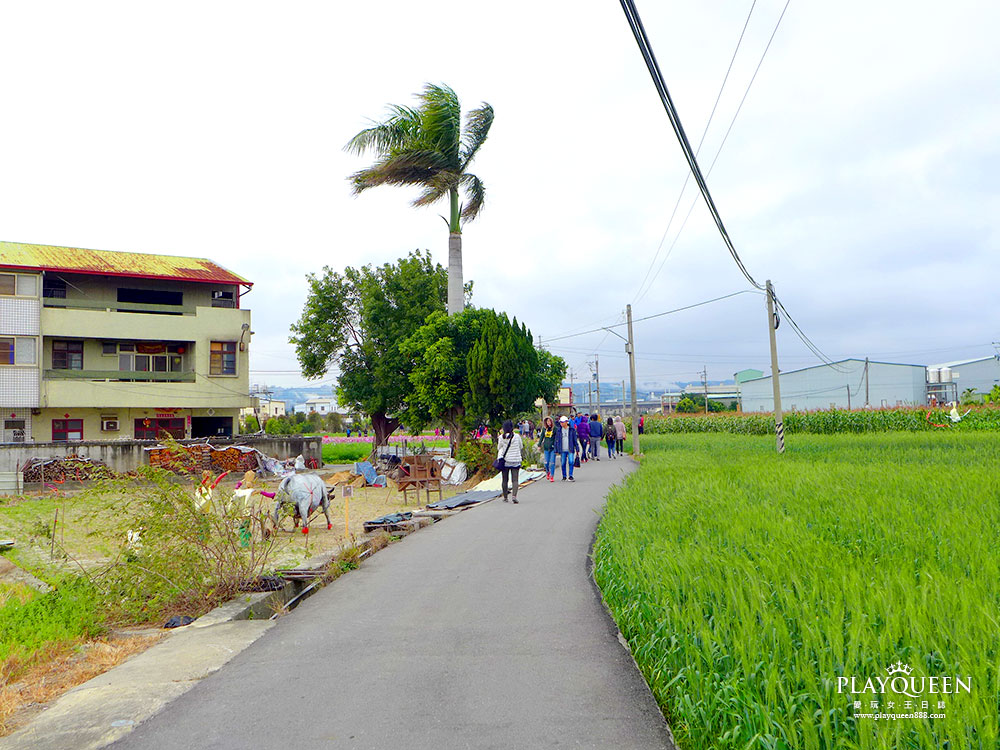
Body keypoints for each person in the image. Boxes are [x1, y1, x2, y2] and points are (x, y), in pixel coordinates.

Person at [497, 419, 523, 503]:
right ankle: (514, 496)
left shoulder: (501, 437)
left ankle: (505, 497)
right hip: (515, 460)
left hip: (505, 461)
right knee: (515, 480)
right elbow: (521, 446)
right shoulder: (517, 436)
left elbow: (499, 448)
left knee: (505, 480)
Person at [554, 415, 579, 481]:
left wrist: (577, 448)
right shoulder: (559, 430)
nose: (561, 423)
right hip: (562, 449)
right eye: (561, 422)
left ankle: (570, 475)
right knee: (563, 463)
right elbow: (556, 440)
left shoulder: (572, 430)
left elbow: (575, 440)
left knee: (571, 461)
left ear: (566, 422)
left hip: (570, 448)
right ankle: (564, 476)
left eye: (563, 422)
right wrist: (556, 449)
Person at [538, 416, 557, 481]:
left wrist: (556, 446)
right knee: (546, 462)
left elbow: (557, 438)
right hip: (546, 448)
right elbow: (541, 437)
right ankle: (547, 472)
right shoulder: (544, 429)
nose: (548, 423)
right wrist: (539, 445)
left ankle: (552, 475)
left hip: (553, 448)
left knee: (552, 462)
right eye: (547, 421)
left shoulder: (555, 429)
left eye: (549, 421)